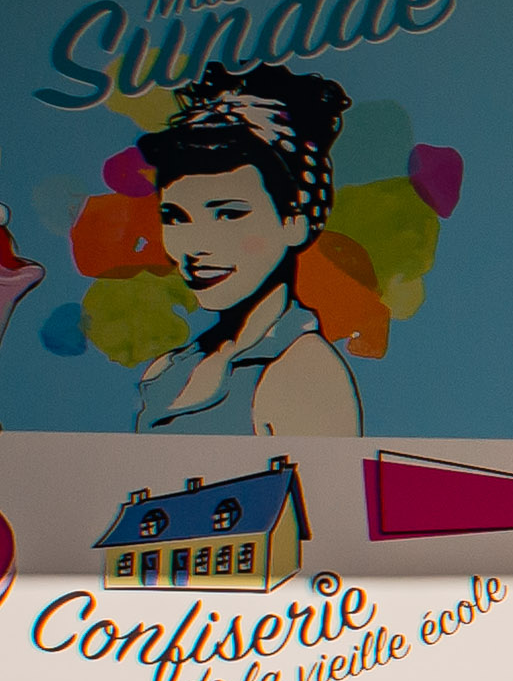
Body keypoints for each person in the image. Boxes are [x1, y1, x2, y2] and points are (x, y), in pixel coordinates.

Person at [131, 65, 366, 439]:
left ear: (294, 220)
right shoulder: (165, 372)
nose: (196, 246)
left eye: (228, 214)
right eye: (176, 217)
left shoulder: (304, 371)